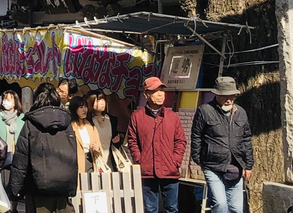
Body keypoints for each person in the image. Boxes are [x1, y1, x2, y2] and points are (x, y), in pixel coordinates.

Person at [8, 81, 78, 213]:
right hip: (63, 188)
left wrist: (15, 189)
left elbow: (21, 159)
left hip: (37, 190)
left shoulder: (31, 124)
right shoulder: (67, 122)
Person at [191, 76, 254, 213]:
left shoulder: (241, 113)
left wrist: (248, 165)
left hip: (235, 166)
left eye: (232, 96)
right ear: (217, 95)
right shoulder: (205, 111)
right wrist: (198, 159)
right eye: (225, 96)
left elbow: (246, 139)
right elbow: (196, 136)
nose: (229, 99)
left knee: (236, 209)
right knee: (220, 204)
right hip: (212, 165)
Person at [127, 77, 186, 213]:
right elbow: (132, 141)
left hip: (170, 170)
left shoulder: (173, 117)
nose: (160, 94)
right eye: (155, 91)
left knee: (171, 208)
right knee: (150, 209)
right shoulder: (137, 116)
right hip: (147, 170)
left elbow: (180, 141)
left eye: (162, 91)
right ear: (146, 94)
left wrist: (175, 161)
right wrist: (139, 160)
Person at [0, 90, 24, 193]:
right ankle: (3, 207)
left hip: (17, 156)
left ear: (15, 101)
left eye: (9, 99)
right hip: (2, 156)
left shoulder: (21, 117)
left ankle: (13, 208)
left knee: (15, 185)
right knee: (2, 185)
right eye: (4, 99)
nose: (6, 101)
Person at [86, 90, 120, 170]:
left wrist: (117, 141)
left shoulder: (111, 119)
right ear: (90, 102)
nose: (102, 102)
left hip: (110, 161)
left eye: (103, 99)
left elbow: (115, 142)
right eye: (98, 100)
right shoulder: (87, 121)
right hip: (93, 161)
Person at [69, 95, 103, 173]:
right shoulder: (70, 126)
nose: (84, 110)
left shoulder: (90, 125)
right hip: (76, 162)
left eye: (85, 107)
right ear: (74, 109)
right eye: (81, 107)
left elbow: (99, 145)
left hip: (90, 161)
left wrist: (97, 148)